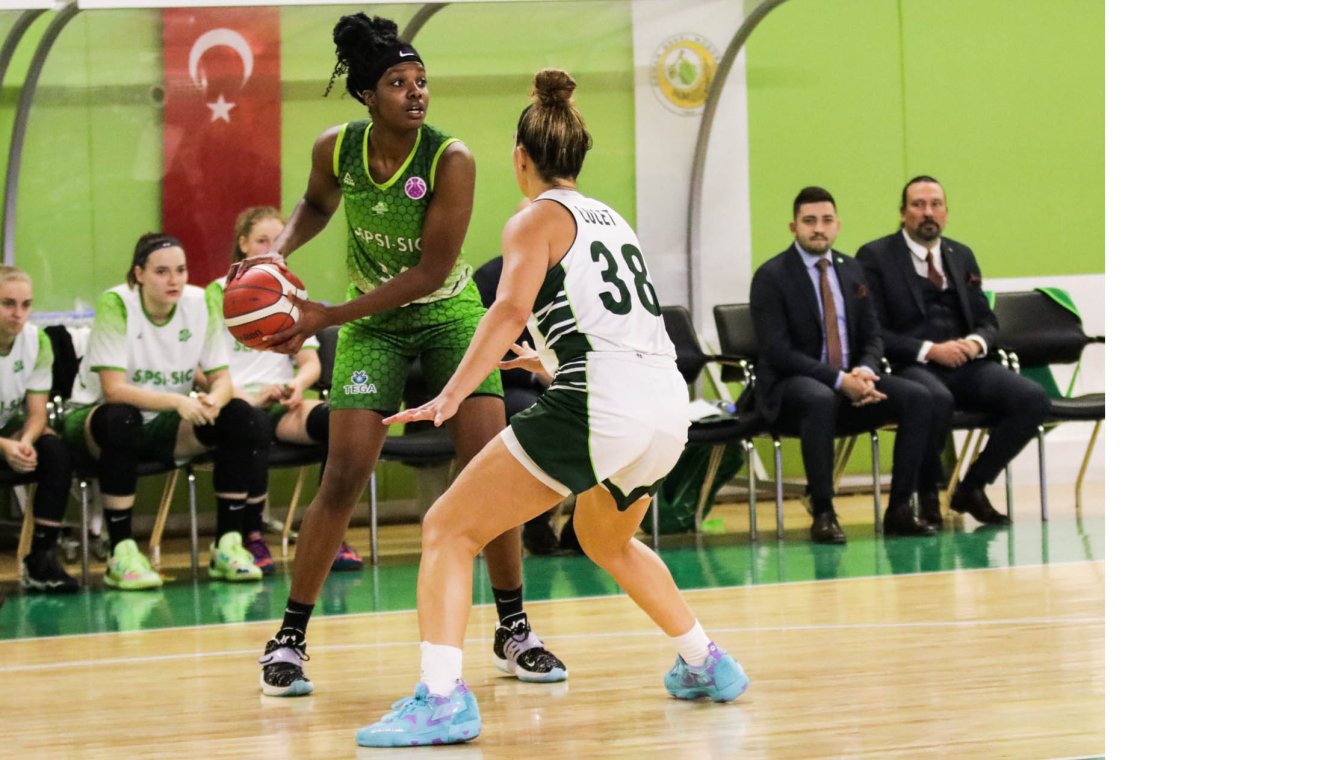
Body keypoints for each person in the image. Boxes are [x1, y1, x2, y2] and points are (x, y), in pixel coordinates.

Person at [355, 68, 749, 748]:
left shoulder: (532, 218)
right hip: (665, 406)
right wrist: (549, 362)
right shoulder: (612, 220)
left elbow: (509, 309)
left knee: (448, 528)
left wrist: (452, 393)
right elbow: (620, 325)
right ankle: (705, 661)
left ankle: (441, 700)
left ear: (520, 157)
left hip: (603, 402)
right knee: (607, 538)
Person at [251, 13, 563, 697]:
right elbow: (315, 204)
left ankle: (514, 628)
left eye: (421, 80)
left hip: (448, 315)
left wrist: (326, 315)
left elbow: (430, 271)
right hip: (376, 327)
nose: (416, 91)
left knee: (488, 471)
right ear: (367, 95)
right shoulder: (337, 148)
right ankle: (289, 638)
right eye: (398, 82)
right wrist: (274, 256)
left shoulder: (450, 158)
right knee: (342, 474)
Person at [59, 232, 269, 589]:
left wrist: (214, 401)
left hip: (168, 422)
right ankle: (121, 552)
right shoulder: (116, 303)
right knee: (123, 418)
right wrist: (178, 401)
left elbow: (221, 379)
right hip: (96, 417)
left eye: (181, 270)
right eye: (162, 272)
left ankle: (228, 544)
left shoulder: (201, 303)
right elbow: (113, 390)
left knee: (241, 416)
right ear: (139, 274)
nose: (174, 280)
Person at [749, 187, 943, 542]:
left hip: (851, 383)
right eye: (809, 221)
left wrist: (865, 371)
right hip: (791, 389)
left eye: (826, 221)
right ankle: (823, 511)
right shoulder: (771, 276)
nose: (818, 229)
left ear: (837, 225)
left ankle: (901, 508)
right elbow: (778, 352)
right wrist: (840, 380)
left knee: (918, 397)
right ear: (794, 227)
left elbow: (873, 335)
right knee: (819, 398)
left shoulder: (852, 269)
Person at [855, 176, 1050, 525]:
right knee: (935, 399)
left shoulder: (961, 255)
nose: (927, 212)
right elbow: (873, 330)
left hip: (966, 364)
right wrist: (930, 350)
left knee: (1033, 399)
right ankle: (928, 492)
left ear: (946, 212)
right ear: (902, 213)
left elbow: (987, 320)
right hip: (911, 364)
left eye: (935, 204)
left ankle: (972, 487)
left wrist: (975, 343)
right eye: (918, 205)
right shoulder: (875, 257)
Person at [204, 207, 361, 575]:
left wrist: (296, 385)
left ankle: (326, 531)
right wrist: (239, 395)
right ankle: (251, 534)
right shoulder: (215, 294)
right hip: (236, 401)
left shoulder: (290, 290)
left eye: (278, 242)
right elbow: (201, 365)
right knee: (249, 422)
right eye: (262, 241)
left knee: (339, 422)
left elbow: (310, 363)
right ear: (243, 244)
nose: (271, 249)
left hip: (281, 403)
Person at [471, 249, 569, 556]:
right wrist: (538, 372)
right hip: (511, 382)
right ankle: (536, 522)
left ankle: (582, 529)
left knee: (608, 413)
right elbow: (478, 347)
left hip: (568, 378)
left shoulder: (572, 274)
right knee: (534, 414)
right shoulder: (490, 279)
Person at [0, 267, 78, 593]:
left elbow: (36, 414)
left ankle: (42, 559)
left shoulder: (37, 341)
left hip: (8, 434)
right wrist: (5, 446)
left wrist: (26, 442)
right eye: (8, 304)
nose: (18, 314)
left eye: (26, 304)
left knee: (54, 450)